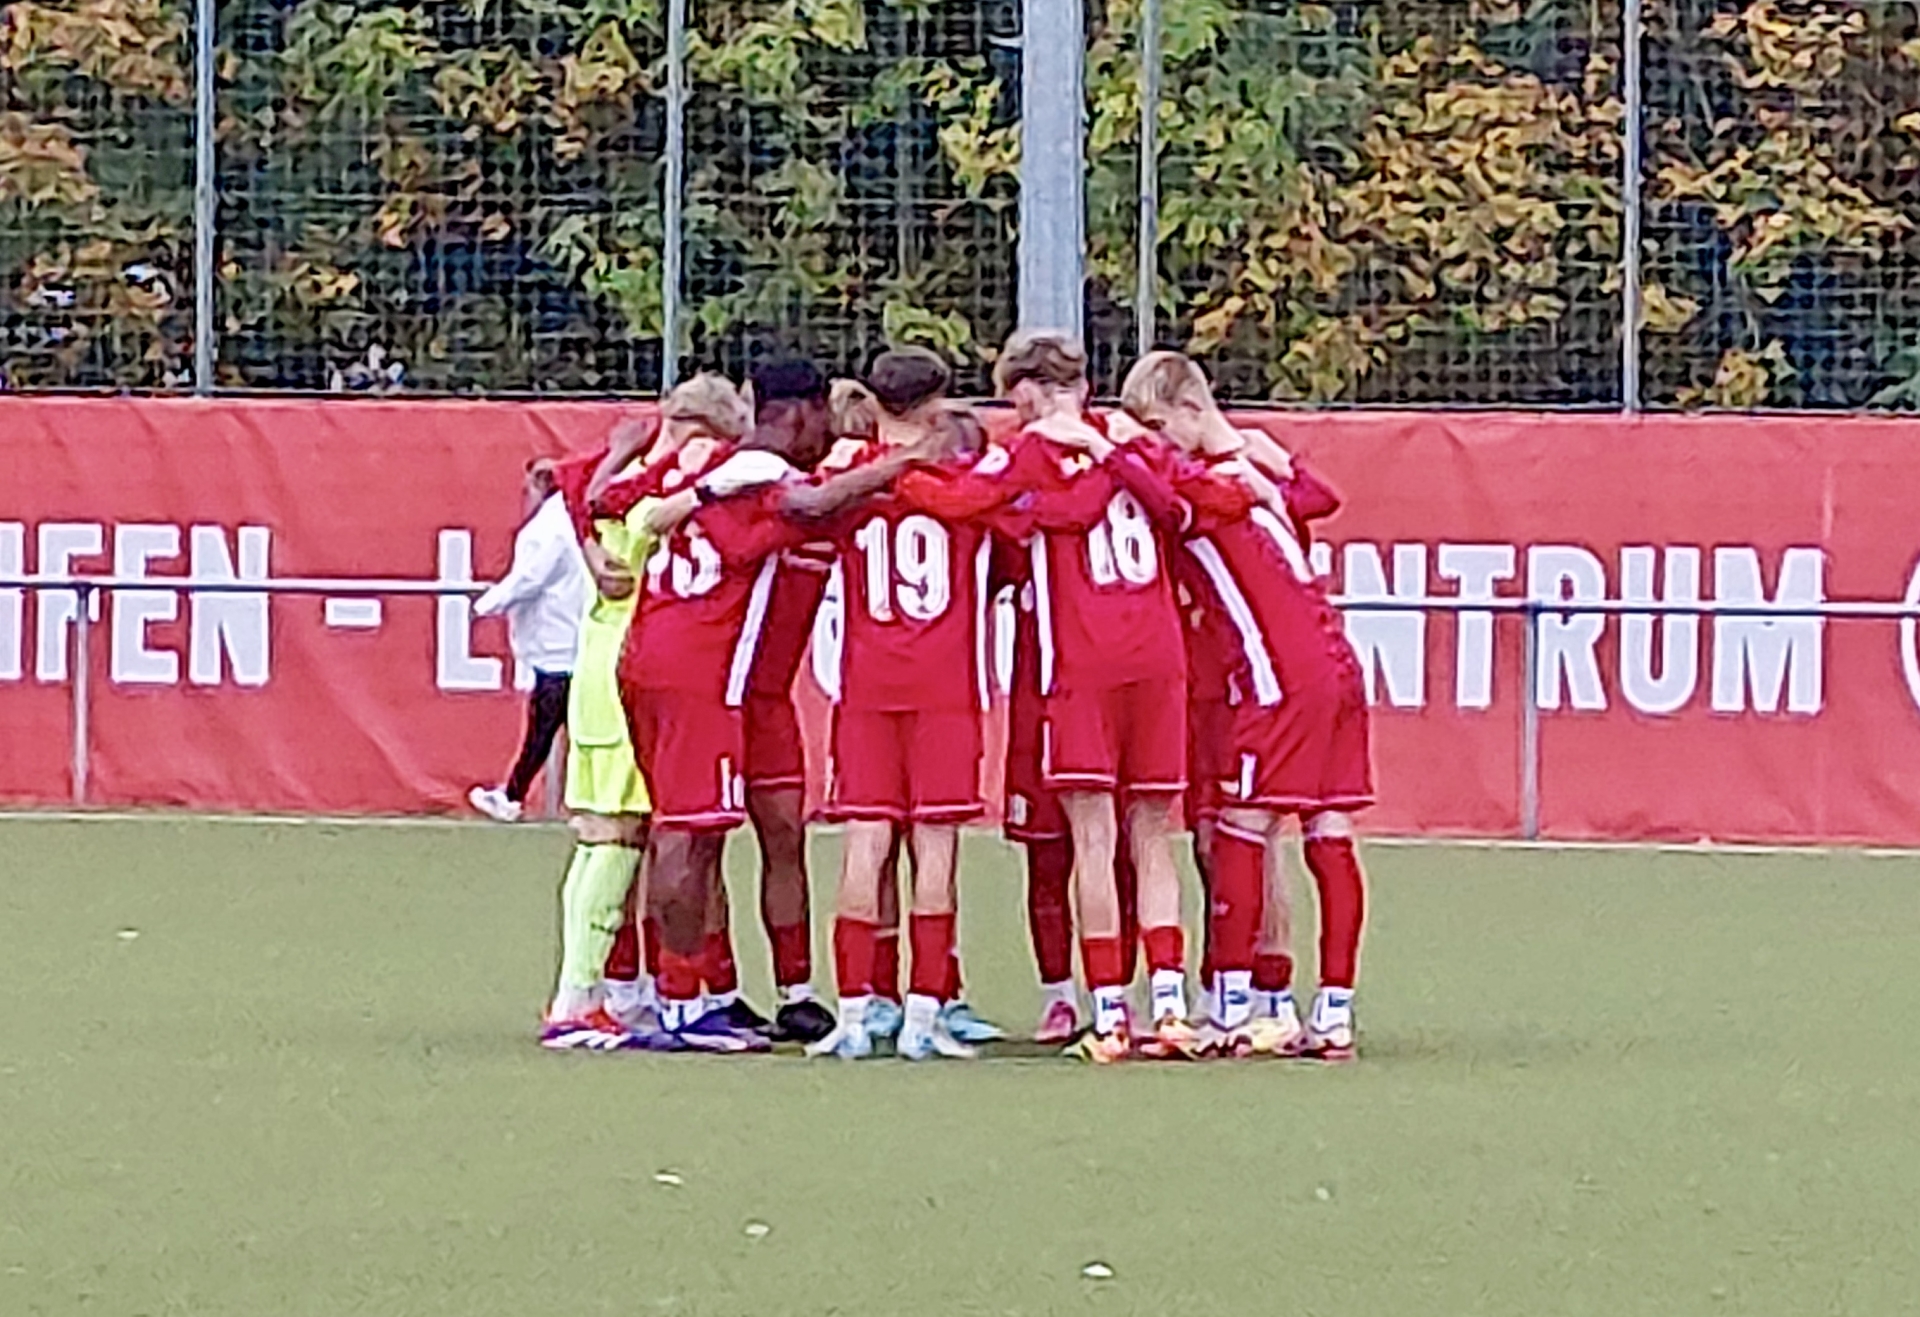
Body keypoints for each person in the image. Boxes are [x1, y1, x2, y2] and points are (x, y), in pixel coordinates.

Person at [1120, 351, 1372, 1060]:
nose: (1158, 443)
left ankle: (1231, 1007)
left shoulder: (1212, 485)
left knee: (1241, 828)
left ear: (1190, 411)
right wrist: (1266, 457)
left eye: (1161, 427)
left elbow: (1166, 491)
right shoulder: (1250, 472)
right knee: (1327, 826)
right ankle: (1332, 1012)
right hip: (1334, 663)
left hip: (1278, 674)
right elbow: (1314, 497)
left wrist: (1113, 443)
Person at [604, 360, 835, 1051]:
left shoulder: (718, 472)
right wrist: (904, 463)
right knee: (686, 833)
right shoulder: (762, 480)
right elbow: (789, 517)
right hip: (701, 672)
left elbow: (608, 499)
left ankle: (724, 993)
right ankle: (680, 999)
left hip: (684, 665)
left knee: (719, 830)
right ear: (800, 412)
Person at [799, 349, 1005, 1061]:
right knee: (936, 849)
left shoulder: (848, 477)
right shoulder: (961, 476)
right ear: (936, 402)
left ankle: (854, 1014)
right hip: (945, 687)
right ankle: (923, 1014)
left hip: (867, 686)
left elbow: (810, 506)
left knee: (866, 842)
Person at [536, 379, 750, 1049]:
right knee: (618, 835)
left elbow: (567, 485)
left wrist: (592, 539)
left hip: (597, 654)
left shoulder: (623, 471)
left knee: (605, 832)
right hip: (633, 660)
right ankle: (578, 998)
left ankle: (596, 993)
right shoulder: (673, 483)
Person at [470, 460, 590, 823]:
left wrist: (485, 605)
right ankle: (521, 796)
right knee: (563, 726)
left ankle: (515, 796)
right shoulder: (569, 520)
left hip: (559, 642)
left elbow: (529, 577)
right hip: (567, 637)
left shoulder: (551, 526)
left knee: (548, 724)